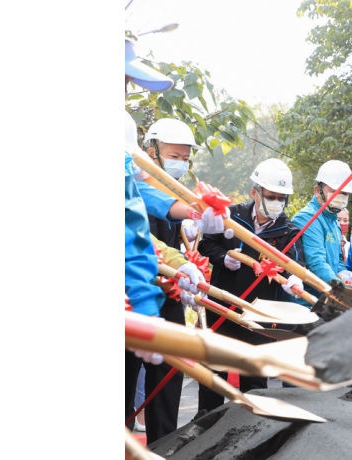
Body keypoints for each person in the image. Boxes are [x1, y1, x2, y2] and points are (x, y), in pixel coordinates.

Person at [195, 159, 307, 414]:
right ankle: (203, 426)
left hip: (259, 315)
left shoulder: (289, 231)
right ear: (255, 193)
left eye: (282, 198)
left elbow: (296, 264)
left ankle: (250, 429)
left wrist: (294, 281)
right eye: (271, 196)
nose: (277, 202)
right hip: (221, 308)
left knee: (255, 381)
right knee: (213, 373)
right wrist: (223, 258)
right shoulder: (230, 217)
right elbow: (205, 244)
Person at [139, 117, 204, 443]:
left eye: (184, 158)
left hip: (168, 292)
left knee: (169, 370)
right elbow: (146, 243)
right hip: (133, 293)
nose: (179, 163)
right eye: (172, 155)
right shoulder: (134, 185)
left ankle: (162, 444)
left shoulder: (178, 191)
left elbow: (174, 241)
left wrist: (188, 265)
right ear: (151, 151)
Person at [292, 160, 352, 302]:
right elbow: (316, 262)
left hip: (326, 298)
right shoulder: (308, 217)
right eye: (335, 191)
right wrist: (341, 289)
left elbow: (337, 257)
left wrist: (341, 271)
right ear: (318, 191)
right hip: (306, 301)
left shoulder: (333, 219)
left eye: (345, 193)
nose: (340, 196)